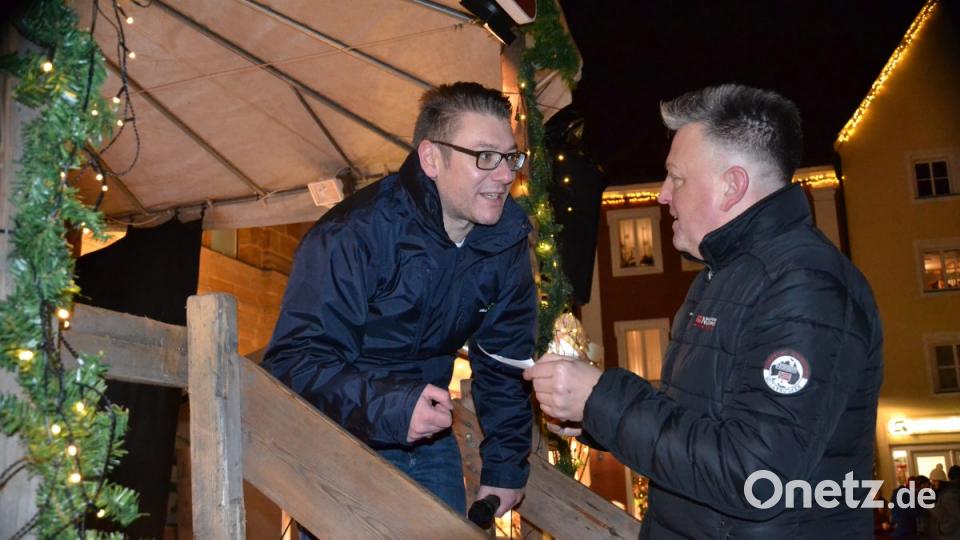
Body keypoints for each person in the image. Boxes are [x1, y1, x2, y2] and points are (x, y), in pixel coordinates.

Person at [524, 84, 883, 538]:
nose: (662, 195)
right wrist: (593, 416)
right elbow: (699, 428)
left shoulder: (805, 286)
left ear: (732, 186)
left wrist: (602, 398)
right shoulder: (723, 277)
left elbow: (754, 474)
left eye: (676, 177)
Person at [262, 82, 537, 528]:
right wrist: (390, 407)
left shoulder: (504, 239)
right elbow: (294, 363)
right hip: (339, 440)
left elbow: (503, 361)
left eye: (510, 158)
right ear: (431, 159)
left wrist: (506, 466)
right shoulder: (353, 234)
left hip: (429, 441)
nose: (505, 174)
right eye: (485, 157)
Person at [929, 465, 960, 539]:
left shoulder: (948, 496)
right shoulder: (942, 494)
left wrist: (943, 529)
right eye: (932, 481)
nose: (933, 483)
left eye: (935, 480)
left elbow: (956, 516)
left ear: (942, 481)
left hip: (952, 535)